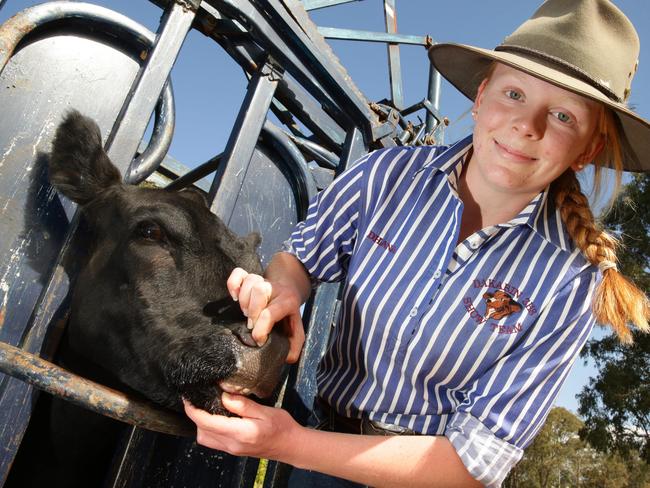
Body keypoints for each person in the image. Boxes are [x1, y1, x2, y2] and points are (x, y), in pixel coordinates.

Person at [184, 0, 650, 486]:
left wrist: (288, 444)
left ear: (587, 151)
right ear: (481, 95)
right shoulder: (389, 175)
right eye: (514, 93)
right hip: (318, 450)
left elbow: (474, 462)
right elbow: (301, 256)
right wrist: (283, 291)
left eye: (562, 117)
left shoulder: (571, 280)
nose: (527, 126)